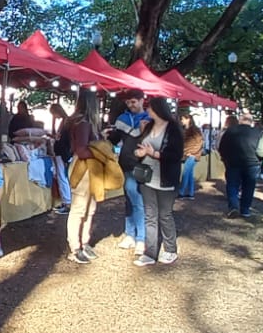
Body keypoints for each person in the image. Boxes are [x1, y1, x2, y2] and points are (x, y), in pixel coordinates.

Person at [133, 97, 185, 266]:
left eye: (149, 107)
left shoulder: (173, 129)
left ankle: (170, 249)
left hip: (166, 179)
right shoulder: (148, 126)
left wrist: (153, 153)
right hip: (147, 178)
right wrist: (139, 153)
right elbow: (140, 145)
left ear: (157, 109)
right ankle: (150, 253)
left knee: (165, 215)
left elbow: (176, 155)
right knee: (150, 216)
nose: (147, 110)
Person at [63, 93, 113, 264]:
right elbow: (82, 150)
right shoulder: (83, 123)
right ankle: (76, 247)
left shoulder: (83, 123)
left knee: (89, 207)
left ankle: (83, 242)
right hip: (83, 168)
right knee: (80, 208)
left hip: (89, 168)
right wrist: (101, 152)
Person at [109, 89, 149, 253]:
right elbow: (115, 139)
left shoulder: (150, 119)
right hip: (125, 163)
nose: (131, 105)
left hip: (143, 165)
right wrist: (107, 136)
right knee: (130, 200)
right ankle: (131, 235)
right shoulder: (122, 119)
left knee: (138, 200)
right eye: (128, 102)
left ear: (142, 100)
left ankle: (141, 238)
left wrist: (143, 132)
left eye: (133, 102)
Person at [218, 113, 263, 219]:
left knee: (232, 185)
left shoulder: (230, 131)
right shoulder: (257, 133)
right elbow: (261, 149)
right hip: (252, 163)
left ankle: (233, 207)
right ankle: (245, 210)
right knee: (249, 186)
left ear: (240, 120)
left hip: (233, 162)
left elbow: (222, 147)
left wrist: (225, 158)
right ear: (251, 121)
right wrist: (259, 160)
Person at [178, 115, 204, 199]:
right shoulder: (188, 130)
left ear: (188, 119)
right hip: (189, 154)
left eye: (183, 119)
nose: (181, 121)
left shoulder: (194, 130)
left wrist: (192, 152)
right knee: (189, 174)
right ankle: (190, 193)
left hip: (191, 154)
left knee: (186, 173)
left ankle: (181, 192)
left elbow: (199, 142)